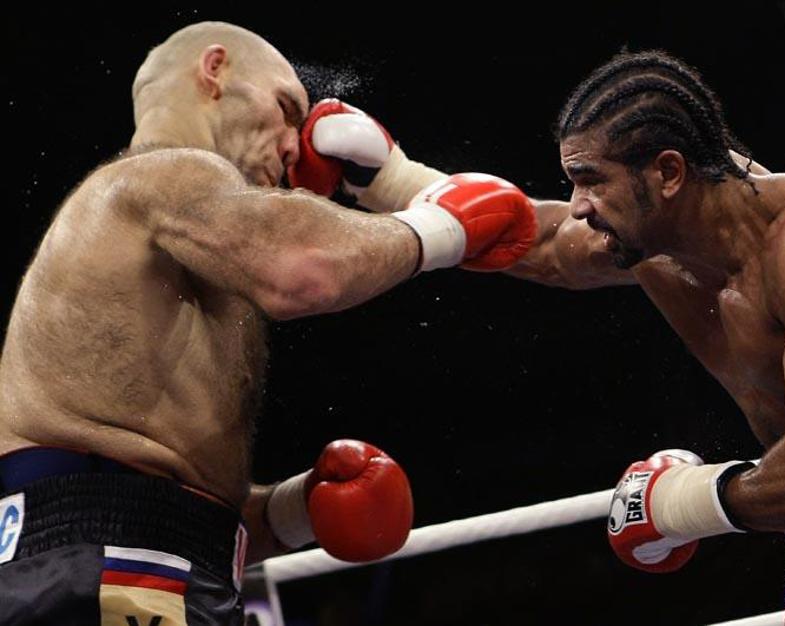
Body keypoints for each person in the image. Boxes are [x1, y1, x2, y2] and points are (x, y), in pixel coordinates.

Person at [301, 49, 785, 623]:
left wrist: (682, 503)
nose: (579, 203)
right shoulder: (654, 241)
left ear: (668, 173)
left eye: (591, 179)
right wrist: (393, 179)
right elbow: (540, 240)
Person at [0, 21, 536, 625]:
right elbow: (304, 270)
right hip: (101, 574)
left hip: (131, 571)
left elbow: (159, 498)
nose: (293, 147)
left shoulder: (171, 256)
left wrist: (292, 512)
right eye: (285, 110)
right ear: (215, 70)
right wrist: (440, 224)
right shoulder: (159, 173)